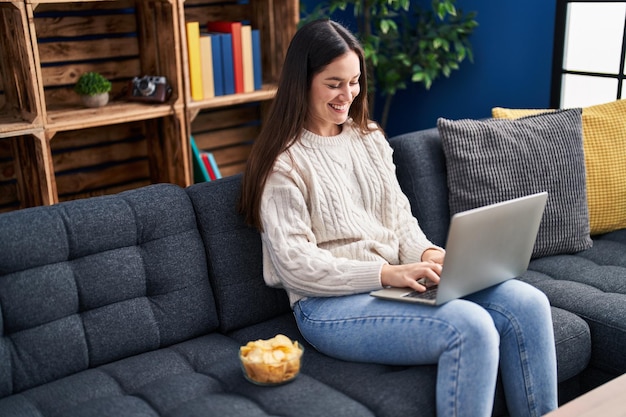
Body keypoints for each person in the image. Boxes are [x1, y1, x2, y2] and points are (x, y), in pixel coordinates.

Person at [238, 18, 557, 417]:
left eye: (354, 81)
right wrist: (386, 274)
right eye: (333, 83)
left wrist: (427, 254)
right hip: (326, 307)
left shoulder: (369, 137)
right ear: (301, 81)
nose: (347, 95)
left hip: (391, 281)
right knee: (469, 327)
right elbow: (296, 267)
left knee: (529, 302)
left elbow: (399, 219)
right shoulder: (283, 165)